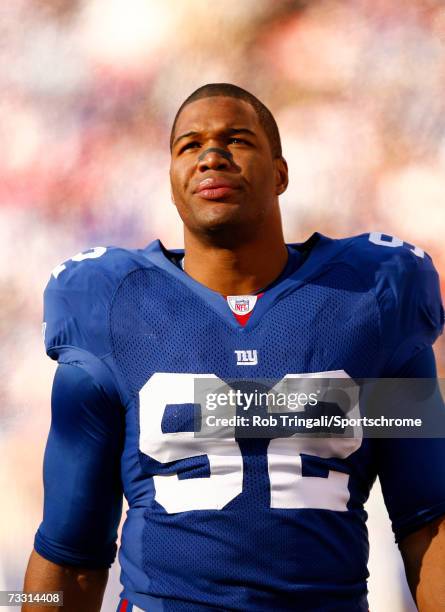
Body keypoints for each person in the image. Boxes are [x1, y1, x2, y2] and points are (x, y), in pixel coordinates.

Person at [24, 83, 445, 612]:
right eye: (189, 145)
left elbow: (427, 524)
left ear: (281, 172)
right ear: (172, 183)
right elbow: (69, 553)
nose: (211, 156)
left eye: (237, 139)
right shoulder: (110, 306)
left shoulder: (371, 299)